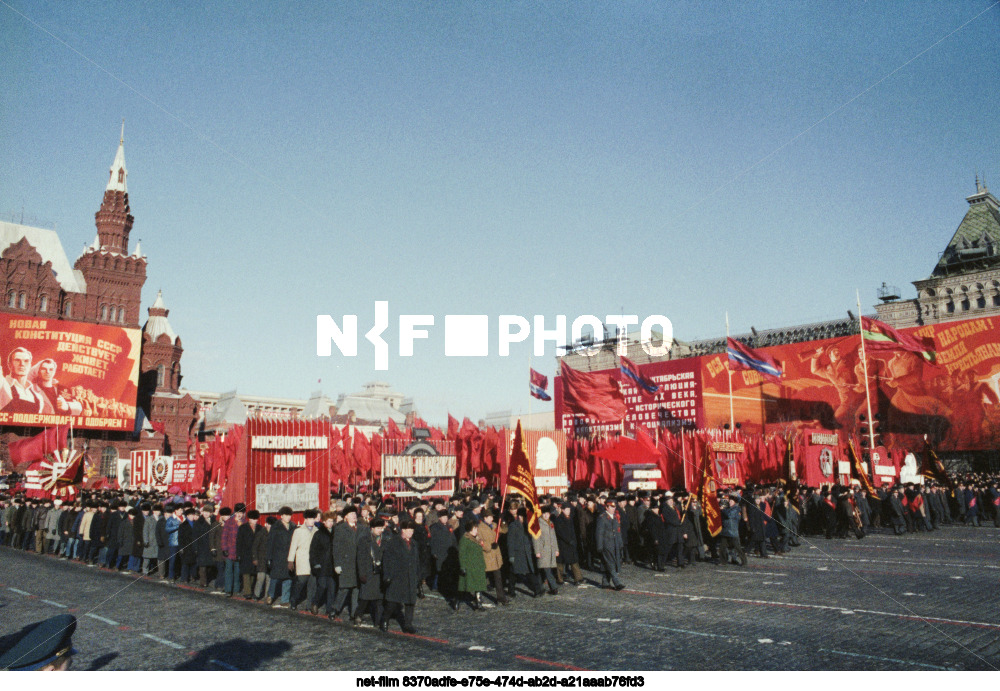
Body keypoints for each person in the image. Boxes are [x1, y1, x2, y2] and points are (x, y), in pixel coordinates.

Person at [381, 519, 421, 634]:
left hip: (410, 576)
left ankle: (408, 624)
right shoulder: (394, 542)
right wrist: (387, 575)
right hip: (397, 576)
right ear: (403, 530)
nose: (411, 532)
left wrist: (418, 576)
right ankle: (385, 619)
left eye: (412, 530)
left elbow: (416, 561)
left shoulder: (414, 544)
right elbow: (387, 560)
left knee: (410, 602)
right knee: (393, 601)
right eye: (409, 530)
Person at [331, 506, 361, 621]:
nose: (354, 516)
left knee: (356, 589)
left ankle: (354, 613)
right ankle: (335, 609)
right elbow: (336, 547)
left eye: (355, 514)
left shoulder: (361, 528)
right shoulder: (340, 529)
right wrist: (337, 564)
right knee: (344, 588)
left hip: (357, 563)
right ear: (346, 517)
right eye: (351, 514)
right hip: (346, 563)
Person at [2, 347, 52, 414]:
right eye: (17, 360)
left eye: (26, 361)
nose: (22, 364)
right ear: (9, 365)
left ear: (30, 365)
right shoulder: (3, 386)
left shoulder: (38, 397)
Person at [356, 517, 387, 627]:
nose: (380, 530)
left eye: (381, 528)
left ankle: (378, 621)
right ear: (372, 528)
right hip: (369, 572)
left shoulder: (384, 539)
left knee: (379, 598)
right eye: (378, 528)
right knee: (365, 598)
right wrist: (362, 573)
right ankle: (358, 615)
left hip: (380, 573)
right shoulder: (364, 540)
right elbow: (360, 558)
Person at [506, 507, 540, 597]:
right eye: (522, 516)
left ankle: (537, 590)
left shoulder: (527, 525)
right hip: (518, 553)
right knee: (514, 573)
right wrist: (511, 555)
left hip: (526, 553)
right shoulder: (513, 526)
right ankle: (511, 590)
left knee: (529, 572)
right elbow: (510, 542)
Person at [287, 508, 318, 610]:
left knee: (312, 585)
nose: (312, 521)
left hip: (313, 562)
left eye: (313, 518)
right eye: (310, 518)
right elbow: (293, 546)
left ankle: (309, 605)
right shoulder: (298, 531)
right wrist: (290, 560)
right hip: (302, 561)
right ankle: (293, 600)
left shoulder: (316, 531)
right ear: (305, 519)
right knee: (301, 582)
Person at [476, 509, 508, 605]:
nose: (492, 518)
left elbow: (504, 530)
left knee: (498, 578)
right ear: (485, 518)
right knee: (481, 578)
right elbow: (479, 541)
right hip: (486, 556)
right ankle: (478, 597)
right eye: (490, 517)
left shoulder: (494, 525)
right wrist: (489, 546)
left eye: (492, 517)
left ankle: (501, 598)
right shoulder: (479, 528)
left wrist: (502, 520)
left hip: (495, 556)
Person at [309, 511, 337, 617]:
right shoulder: (319, 534)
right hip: (322, 565)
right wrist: (315, 563)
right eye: (329, 521)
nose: (331, 523)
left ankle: (329, 609)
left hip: (332, 565)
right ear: (324, 522)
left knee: (331, 588)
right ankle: (315, 603)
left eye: (332, 521)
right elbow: (313, 551)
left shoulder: (335, 533)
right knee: (322, 586)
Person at [266, 507, 295, 607]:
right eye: (286, 515)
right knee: (275, 578)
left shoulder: (293, 526)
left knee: (288, 578)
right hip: (277, 556)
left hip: (289, 556)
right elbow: (270, 542)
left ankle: (285, 600)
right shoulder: (275, 526)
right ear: (281, 516)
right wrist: (269, 557)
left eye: (289, 515)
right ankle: (270, 595)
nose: (288, 517)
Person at [457, 519, 488, 610]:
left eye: (476, 528)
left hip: (478, 566)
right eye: (474, 528)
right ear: (470, 529)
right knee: (464, 587)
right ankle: (457, 600)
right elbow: (462, 554)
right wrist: (463, 567)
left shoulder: (477, 538)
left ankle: (479, 603)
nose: (476, 530)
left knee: (479, 586)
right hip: (469, 566)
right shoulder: (465, 539)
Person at [594, 499, 625, 590]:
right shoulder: (602, 517)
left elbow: (618, 532)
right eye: (611, 507)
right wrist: (599, 546)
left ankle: (605, 582)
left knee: (607, 563)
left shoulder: (615, 517)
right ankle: (617, 582)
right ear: (606, 507)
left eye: (614, 507)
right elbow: (599, 533)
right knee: (610, 563)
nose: (613, 508)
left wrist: (620, 543)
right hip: (606, 544)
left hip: (615, 544)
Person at [553, 502, 583, 586]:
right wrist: (569, 540)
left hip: (571, 544)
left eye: (569, 509)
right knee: (560, 564)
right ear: (563, 510)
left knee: (574, 562)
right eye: (567, 509)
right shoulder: (559, 519)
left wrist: (574, 541)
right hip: (563, 545)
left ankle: (578, 578)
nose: (568, 511)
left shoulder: (570, 518)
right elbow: (560, 532)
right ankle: (559, 579)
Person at [532, 505, 559, 595]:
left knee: (544, 570)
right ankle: (554, 587)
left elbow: (554, 537)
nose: (546, 515)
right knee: (546, 570)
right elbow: (536, 538)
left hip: (550, 550)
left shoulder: (550, 523)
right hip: (543, 550)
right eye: (545, 514)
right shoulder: (538, 523)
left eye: (548, 514)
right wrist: (537, 551)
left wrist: (556, 549)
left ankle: (541, 587)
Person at [220, 504, 244, 596]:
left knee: (237, 571)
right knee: (229, 570)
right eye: (238, 512)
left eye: (241, 513)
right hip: (230, 550)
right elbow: (224, 536)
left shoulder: (244, 523)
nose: (239, 515)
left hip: (239, 551)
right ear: (235, 512)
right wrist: (224, 548)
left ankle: (236, 589)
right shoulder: (229, 522)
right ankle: (228, 590)